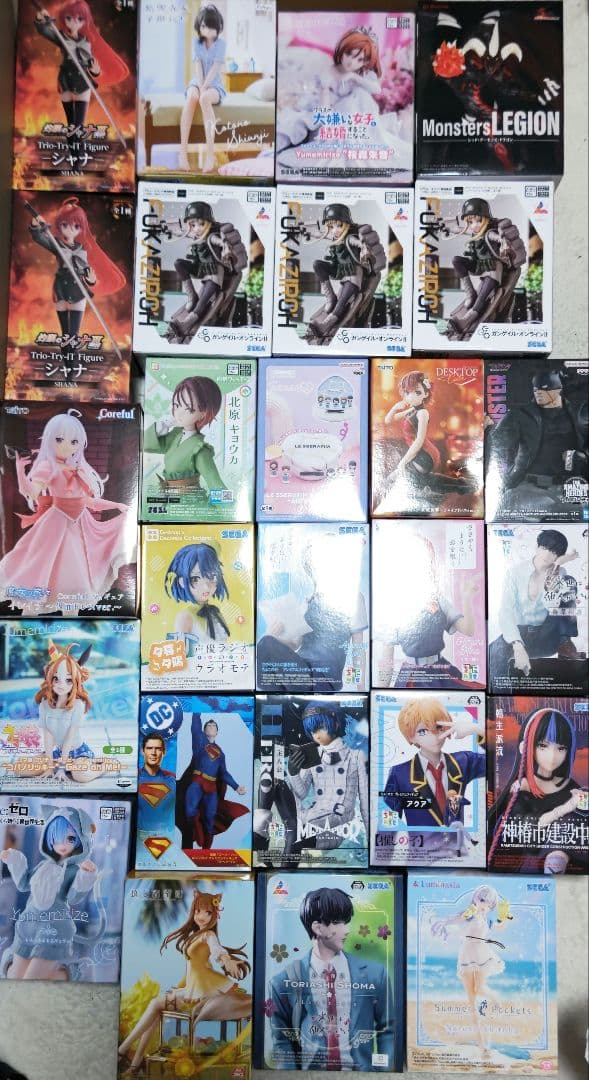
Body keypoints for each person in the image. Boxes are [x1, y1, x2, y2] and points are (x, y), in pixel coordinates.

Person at [0, 409, 131, 617]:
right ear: (49, 439)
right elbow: (31, 493)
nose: (66, 446)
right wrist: (20, 470)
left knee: (75, 580)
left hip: (80, 527)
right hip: (55, 525)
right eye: (59, 439)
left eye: (74, 441)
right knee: (41, 569)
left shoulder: (77, 468)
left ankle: (72, 623)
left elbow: (88, 502)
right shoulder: (47, 466)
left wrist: (117, 505)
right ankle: (27, 622)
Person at [118, 889, 252, 1075]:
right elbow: (192, 967)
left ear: (214, 915)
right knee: (157, 1008)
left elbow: (217, 951)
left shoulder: (209, 936)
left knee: (155, 1003)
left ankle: (123, 1051)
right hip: (193, 988)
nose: (201, 916)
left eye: (207, 912)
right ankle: (135, 1063)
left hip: (206, 991)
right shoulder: (195, 935)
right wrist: (179, 987)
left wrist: (227, 960)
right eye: (198, 911)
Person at [268, 886, 395, 1070]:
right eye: (338, 922)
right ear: (317, 928)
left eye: (346, 922)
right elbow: (281, 1040)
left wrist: (382, 1072)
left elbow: (388, 1029)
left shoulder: (375, 975)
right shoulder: (282, 982)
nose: (347, 930)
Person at [0, 805, 100, 981]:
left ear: (81, 840)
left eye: (70, 839)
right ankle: (13, 965)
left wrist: (86, 876)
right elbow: (23, 884)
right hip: (28, 924)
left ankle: (73, 971)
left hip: (54, 928)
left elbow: (73, 897)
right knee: (15, 978)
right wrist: (14, 860)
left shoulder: (73, 870)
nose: (62, 845)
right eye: (56, 838)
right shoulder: (43, 866)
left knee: (31, 981)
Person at [488, 706, 586, 873]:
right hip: (525, 864)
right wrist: (566, 808)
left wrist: (582, 802)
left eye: (561, 748)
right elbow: (525, 830)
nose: (552, 756)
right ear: (525, 747)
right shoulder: (520, 788)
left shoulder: (570, 786)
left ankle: (558, 857)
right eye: (543, 745)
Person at [375, 533, 479, 689]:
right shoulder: (393, 606)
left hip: (439, 671)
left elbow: (468, 630)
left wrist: (466, 599)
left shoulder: (438, 599)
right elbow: (386, 661)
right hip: (411, 675)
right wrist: (379, 693)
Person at [383, 697, 485, 853]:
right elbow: (388, 824)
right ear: (411, 736)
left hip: (458, 856)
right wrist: (383, 859)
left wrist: (477, 730)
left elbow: (501, 763)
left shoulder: (463, 761)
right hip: (421, 856)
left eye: (438, 727)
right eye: (423, 731)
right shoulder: (400, 773)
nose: (434, 736)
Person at [489, 529, 581, 689]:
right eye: (544, 548)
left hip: (546, 635)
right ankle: (501, 698)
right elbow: (505, 611)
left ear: (558, 556)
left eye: (554, 552)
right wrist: (517, 645)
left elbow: (553, 607)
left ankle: (565, 642)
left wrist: (556, 567)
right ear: (537, 547)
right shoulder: (515, 573)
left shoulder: (560, 573)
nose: (547, 555)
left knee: (569, 582)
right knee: (492, 653)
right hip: (520, 634)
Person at [488, 371, 588, 515]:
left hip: (573, 487)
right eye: (536, 390)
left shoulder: (577, 413)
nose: (539, 393)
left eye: (545, 389)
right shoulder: (519, 414)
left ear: (558, 390)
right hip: (531, 487)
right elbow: (498, 446)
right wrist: (506, 479)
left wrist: (583, 457)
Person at [28, 197, 125, 346]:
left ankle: (72, 361)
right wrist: (36, 225)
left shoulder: (83, 249)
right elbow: (39, 237)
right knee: (66, 334)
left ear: (81, 228)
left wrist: (92, 280)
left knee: (73, 335)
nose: (71, 229)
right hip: (61, 287)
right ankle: (67, 360)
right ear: (60, 226)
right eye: (65, 225)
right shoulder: (57, 244)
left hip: (78, 288)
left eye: (76, 226)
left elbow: (85, 270)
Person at [276, 27, 382, 161]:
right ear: (342, 50)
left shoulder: (363, 74)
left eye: (359, 59)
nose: (351, 62)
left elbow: (376, 90)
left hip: (358, 117)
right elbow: (324, 106)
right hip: (336, 112)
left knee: (361, 94)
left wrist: (354, 77)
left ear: (365, 61)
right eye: (349, 54)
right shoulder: (329, 72)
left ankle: (358, 141)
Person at [33, 1, 128, 143]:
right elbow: (46, 31)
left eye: (79, 19)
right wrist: (41, 19)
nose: (74, 22)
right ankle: (74, 155)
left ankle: (78, 154)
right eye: (69, 18)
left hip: (83, 81)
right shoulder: (62, 37)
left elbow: (90, 63)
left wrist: (95, 72)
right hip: (66, 80)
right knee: (71, 124)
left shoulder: (87, 41)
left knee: (79, 126)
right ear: (64, 19)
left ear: (85, 21)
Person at [284, 703, 368, 858]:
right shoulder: (312, 754)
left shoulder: (355, 756)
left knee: (294, 834)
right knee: (276, 787)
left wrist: (371, 841)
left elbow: (365, 802)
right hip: (312, 815)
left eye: (320, 728)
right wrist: (293, 773)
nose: (315, 735)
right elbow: (301, 793)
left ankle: (283, 870)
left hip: (336, 826)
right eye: (311, 731)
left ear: (335, 723)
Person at [430, 885, 508, 1053]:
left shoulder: (487, 920)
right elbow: (459, 918)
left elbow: (499, 926)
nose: (484, 905)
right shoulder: (470, 913)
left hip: (482, 955)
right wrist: (445, 922)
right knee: (472, 1003)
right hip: (466, 955)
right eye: (482, 900)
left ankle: (495, 998)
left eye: (489, 904)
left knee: (480, 989)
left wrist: (504, 916)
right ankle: (482, 1045)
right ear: (475, 899)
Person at [383, 370, 479, 499]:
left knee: (396, 478)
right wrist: (395, 407)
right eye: (407, 392)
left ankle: (462, 486)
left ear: (426, 394)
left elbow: (419, 441)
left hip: (425, 454)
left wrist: (404, 461)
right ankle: (463, 485)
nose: (411, 397)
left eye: (417, 392)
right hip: (421, 452)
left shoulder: (422, 413)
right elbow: (388, 420)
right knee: (427, 481)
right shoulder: (413, 410)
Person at [442, 197, 525, 337]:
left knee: (483, 296)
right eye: (470, 222)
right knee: (457, 260)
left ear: (485, 219)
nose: (474, 225)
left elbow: (497, 237)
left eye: (478, 221)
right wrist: (448, 228)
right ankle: (470, 293)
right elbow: (460, 230)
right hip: (480, 267)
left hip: (492, 271)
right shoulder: (476, 233)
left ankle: (468, 318)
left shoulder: (489, 233)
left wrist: (503, 242)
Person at [144, 375, 226, 498]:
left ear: (204, 413)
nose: (179, 413)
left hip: (191, 503)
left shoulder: (200, 450)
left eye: (188, 408)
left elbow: (216, 485)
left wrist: (232, 509)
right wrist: (164, 423)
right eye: (176, 405)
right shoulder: (176, 436)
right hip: (172, 502)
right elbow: (144, 444)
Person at [308, 204, 378, 335]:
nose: (335, 230)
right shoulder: (336, 237)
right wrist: (309, 233)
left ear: (346, 224)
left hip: (353, 277)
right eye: (331, 227)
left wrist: (364, 247)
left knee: (342, 302)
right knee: (317, 264)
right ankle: (330, 297)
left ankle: (326, 324)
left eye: (339, 226)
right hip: (340, 271)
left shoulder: (350, 237)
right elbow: (322, 235)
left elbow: (356, 242)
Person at [184, 715, 247, 850]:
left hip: (211, 787)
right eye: (209, 725)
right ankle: (197, 828)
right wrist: (196, 712)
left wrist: (236, 787)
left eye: (214, 726)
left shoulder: (221, 753)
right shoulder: (199, 740)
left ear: (217, 732)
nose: (211, 727)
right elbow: (195, 726)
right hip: (198, 782)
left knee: (210, 818)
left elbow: (223, 773)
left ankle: (206, 850)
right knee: (190, 810)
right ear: (204, 730)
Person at [179, 4, 226, 174]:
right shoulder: (196, 43)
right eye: (204, 26)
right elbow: (198, 66)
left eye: (211, 27)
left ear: (217, 27)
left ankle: (210, 154)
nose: (207, 30)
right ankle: (182, 152)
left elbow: (215, 68)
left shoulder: (221, 44)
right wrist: (200, 86)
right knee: (192, 97)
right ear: (199, 26)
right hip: (197, 81)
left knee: (204, 99)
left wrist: (205, 88)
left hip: (215, 84)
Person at [165, 542, 231, 645]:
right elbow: (180, 651)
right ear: (182, 582)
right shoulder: (185, 617)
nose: (206, 587)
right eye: (195, 579)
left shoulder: (216, 612)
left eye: (211, 577)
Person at [137, 733, 176, 833]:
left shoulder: (172, 779)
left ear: (164, 752)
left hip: (166, 835)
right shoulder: (133, 778)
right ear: (142, 751)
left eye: (158, 749)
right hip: (138, 835)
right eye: (149, 748)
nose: (153, 753)